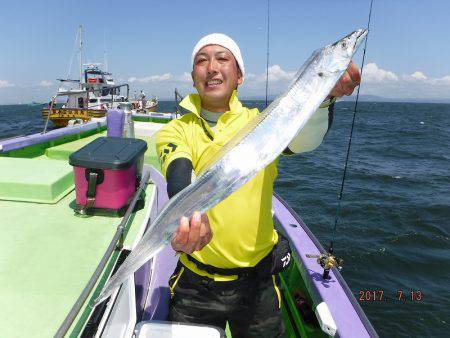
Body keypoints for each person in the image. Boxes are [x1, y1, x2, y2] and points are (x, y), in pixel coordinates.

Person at [156, 33, 360, 337]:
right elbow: (179, 174)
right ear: (193, 77)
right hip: (196, 284)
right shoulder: (175, 130)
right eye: (202, 60)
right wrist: (190, 217)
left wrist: (323, 98)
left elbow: (304, 141)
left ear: (239, 77)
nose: (211, 67)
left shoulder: (265, 121)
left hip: (259, 283)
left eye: (223, 59)